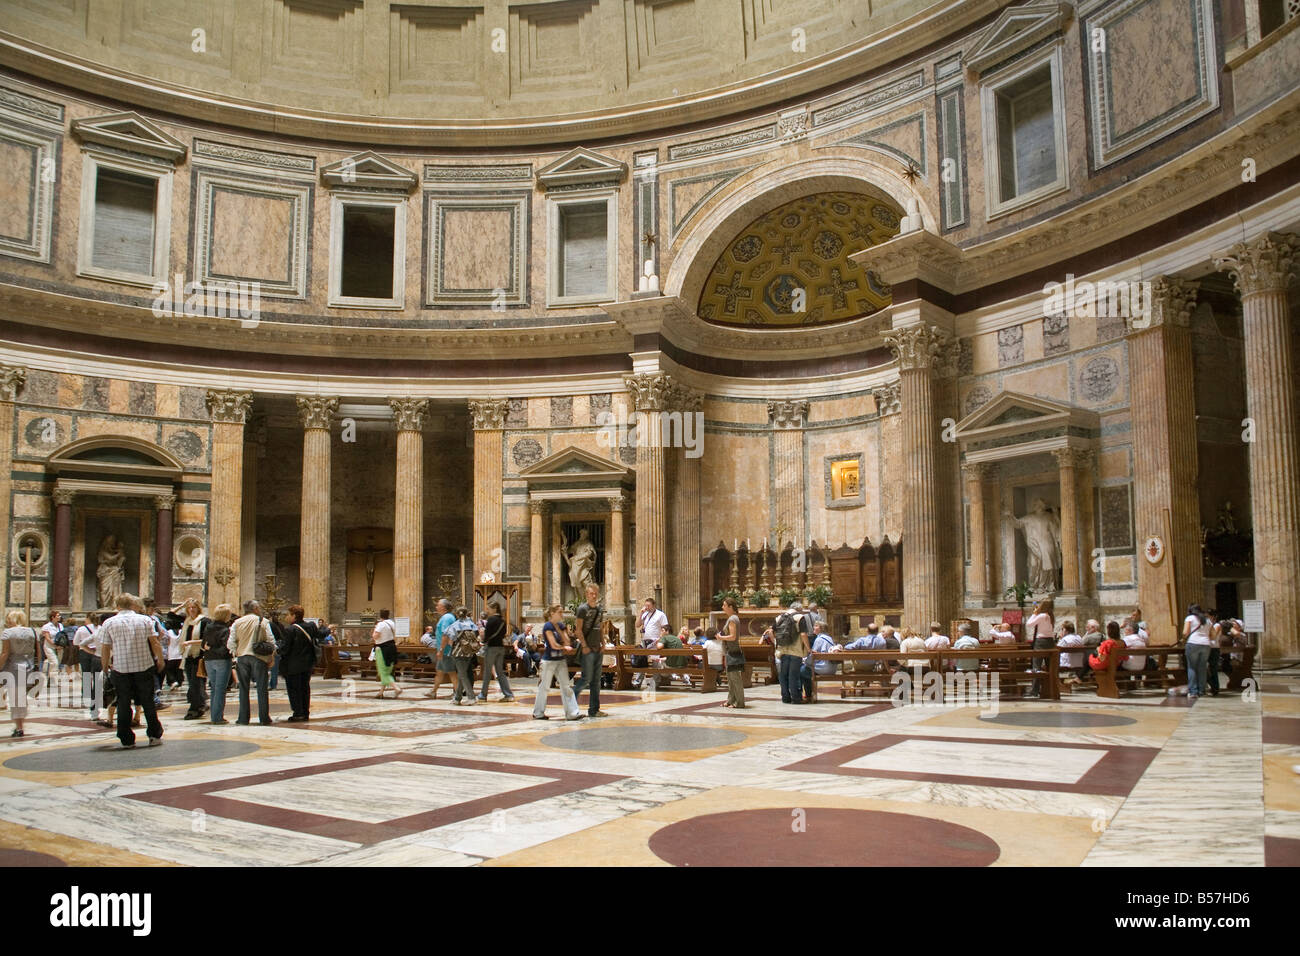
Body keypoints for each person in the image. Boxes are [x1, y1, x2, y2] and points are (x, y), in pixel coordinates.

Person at [98, 594, 165, 749]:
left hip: (121, 668)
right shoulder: (145, 620)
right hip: (144, 666)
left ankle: (126, 738)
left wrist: (105, 665)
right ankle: (154, 734)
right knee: (148, 701)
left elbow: (105, 647)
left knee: (123, 702)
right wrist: (160, 659)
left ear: (117, 605)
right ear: (133, 604)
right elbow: (154, 642)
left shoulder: (109, 622)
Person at [533, 604, 581, 721]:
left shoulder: (560, 625)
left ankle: (572, 713)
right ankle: (538, 713)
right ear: (552, 614)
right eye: (559, 612)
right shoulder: (547, 626)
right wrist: (563, 647)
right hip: (548, 660)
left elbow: (567, 641)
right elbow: (553, 644)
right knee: (544, 687)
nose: (562, 614)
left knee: (566, 687)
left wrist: (561, 630)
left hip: (560, 660)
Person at [230, 600, 275, 725]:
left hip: (242, 657)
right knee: (262, 688)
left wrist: (236, 655)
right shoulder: (263, 621)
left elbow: (231, 642)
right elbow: (271, 640)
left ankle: (243, 718)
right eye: (259, 607)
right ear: (255, 608)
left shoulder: (237, 622)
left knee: (243, 689)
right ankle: (264, 717)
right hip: (259, 657)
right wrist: (271, 657)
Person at [1, 610, 40, 737]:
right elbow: (38, 653)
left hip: (13, 668)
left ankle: (19, 727)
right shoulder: (33, 632)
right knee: (20, 697)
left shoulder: (8, 633)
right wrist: (37, 669)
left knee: (16, 699)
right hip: (28, 667)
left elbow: (5, 653)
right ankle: (20, 725)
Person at [570, 584, 606, 717]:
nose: (594, 595)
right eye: (591, 593)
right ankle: (570, 704)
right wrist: (584, 645)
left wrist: (603, 643)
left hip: (597, 648)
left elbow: (600, 628)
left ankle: (594, 710)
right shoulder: (582, 609)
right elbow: (578, 629)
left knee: (596, 680)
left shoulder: (600, 609)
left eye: (596, 593)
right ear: (586, 594)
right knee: (586, 678)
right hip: (588, 649)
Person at [280, 605, 319, 721]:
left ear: (294, 616)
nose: (286, 617)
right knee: (305, 688)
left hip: (293, 665)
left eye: (288, 614)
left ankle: (298, 712)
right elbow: (320, 634)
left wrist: (277, 649)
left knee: (294, 689)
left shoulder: (290, 630)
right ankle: (305, 712)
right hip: (307, 664)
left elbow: (285, 649)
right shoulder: (310, 626)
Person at [201, 604, 234, 724]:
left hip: (208, 660)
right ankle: (217, 717)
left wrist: (209, 649)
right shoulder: (226, 630)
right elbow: (225, 649)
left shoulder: (208, 627)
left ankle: (214, 716)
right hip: (222, 660)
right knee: (220, 689)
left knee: (214, 689)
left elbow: (203, 644)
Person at [477, 601, 515, 703]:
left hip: (492, 648)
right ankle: (508, 694)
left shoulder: (491, 620)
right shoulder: (503, 621)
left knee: (487, 672)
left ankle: (483, 695)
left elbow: (487, 635)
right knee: (500, 672)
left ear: (494, 609)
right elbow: (503, 634)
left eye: (488, 609)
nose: (487, 611)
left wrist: (483, 640)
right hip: (500, 648)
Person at [177, 600, 208, 720]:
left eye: (194, 607)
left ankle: (195, 708)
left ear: (198, 608)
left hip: (199, 656)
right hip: (188, 655)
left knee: (196, 683)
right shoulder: (187, 622)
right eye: (189, 607)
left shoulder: (204, 621)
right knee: (192, 683)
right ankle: (200, 704)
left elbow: (206, 639)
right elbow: (170, 616)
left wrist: (191, 642)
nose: (191, 610)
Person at [773, 602, 809, 704]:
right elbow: (803, 634)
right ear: (799, 609)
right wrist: (808, 648)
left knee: (783, 675)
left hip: (783, 650)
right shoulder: (800, 617)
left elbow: (772, 631)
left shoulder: (779, 617)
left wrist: (775, 643)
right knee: (793, 674)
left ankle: (785, 697)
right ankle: (796, 698)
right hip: (796, 651)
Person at [446, 606, 480, 705]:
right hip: (469, 652)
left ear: (456, 614)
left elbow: (450, 640)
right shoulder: (472, 624)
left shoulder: (454, 625)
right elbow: (477, 635)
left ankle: (471, 697)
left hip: (458, 652)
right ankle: (457, 698)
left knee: (462, 675)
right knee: (462, 674)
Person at [75, 612, 104, 722]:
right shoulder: (101, 629)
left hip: (88, 653)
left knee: (87, 675)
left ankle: (88, 698)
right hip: (103, 657)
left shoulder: (82, 629)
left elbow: (76, 642)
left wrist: (90, 650)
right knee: (101, 681)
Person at [427, 599, 458, 700]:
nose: (436, 607)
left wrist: (441, 650)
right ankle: (433, 691)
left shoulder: (446, 618)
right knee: (439, 671)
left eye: (438, 605)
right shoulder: (448, 617)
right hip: (445, 650)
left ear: (444, 607)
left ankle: (458, 694)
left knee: (452, 672)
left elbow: (446, 635)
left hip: (446, 651)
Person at [1182, 603, 1214, 700]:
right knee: (1202, 668)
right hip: (1206, 644)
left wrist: (1184, 638)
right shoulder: (1207, 620)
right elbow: (1213, 635)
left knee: (1192, 667)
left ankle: (1193, 691)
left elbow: (1185, 632)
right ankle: (1202, 691)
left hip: (1193, 643)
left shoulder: (1190, 618)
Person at [802, 622, 841, 700]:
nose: (813, 627)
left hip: (824, 668)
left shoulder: (819, 639)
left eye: (816, 626)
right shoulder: (829, 638)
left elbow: (813, 656)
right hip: (832, 668)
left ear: (821, 629)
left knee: (802, 670)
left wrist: (805, 661)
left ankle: (808, 694)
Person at [719, 597, 746, 709]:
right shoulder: (732, 618)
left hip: (732, 651)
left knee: (735, 678)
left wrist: (720, 637)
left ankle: (739, 702)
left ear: (730, 607)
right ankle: (731, 700)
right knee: (730, 678)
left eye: (724, 605)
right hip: (730, 651)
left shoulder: (732, 619)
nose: (722, 607)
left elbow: (733, 636)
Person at [1026, 598, 1055, 698]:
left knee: (1036, 666)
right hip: (1050, 641)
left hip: (1041, 642)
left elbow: (1029, 624)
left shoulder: (1042, 616)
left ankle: (1034, 691)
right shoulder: (1051, 616)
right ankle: (1052, 689)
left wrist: (1034, 613)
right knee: (1049, 666)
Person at [370, 609, 402, 700]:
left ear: (380, 615)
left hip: (382, 649)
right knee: (387, 671)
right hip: (392, 647)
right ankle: (381, 692)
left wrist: (374, 632)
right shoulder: (392, 623)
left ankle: (396, 688)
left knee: (382, 672)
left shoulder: (381, 624)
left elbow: (375, 636)